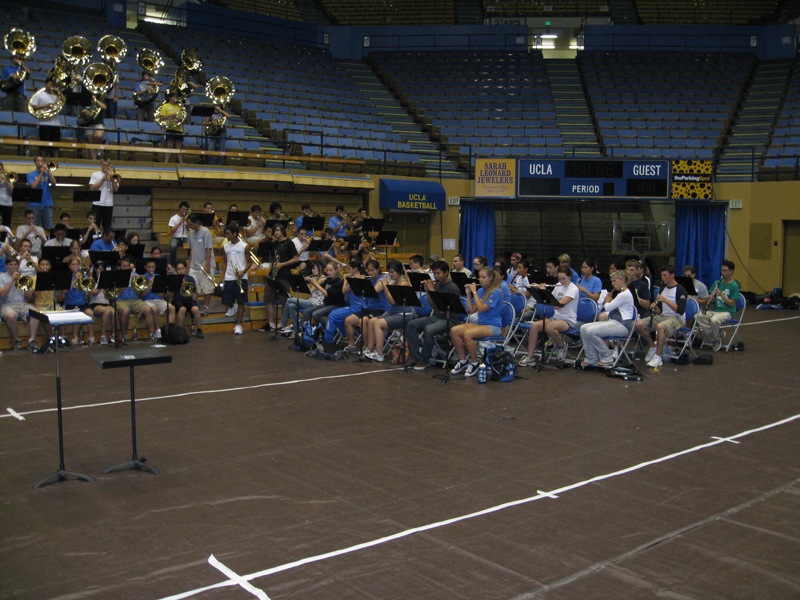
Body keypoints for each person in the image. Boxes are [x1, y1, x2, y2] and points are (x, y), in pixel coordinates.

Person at [405, 259, 460, 371]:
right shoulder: (437, 285)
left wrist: (432, 290)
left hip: (449, 319)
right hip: (436, 317)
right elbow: (432, 305)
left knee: (428, 330)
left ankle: (425, 360)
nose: (436, 276)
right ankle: (415, 358)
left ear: (446, 273)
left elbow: (442, 310)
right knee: (411, 324)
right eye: (434, 273)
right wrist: (429, 292)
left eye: (438, 273)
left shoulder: (452, 288)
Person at [448, 267, 504, 376]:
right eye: (480, 277)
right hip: (481, 324)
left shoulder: (496, 292)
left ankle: (474, 363)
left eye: (484, 277)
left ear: (491, 278)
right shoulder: (481, 290)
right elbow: (472, 310)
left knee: (467, 334)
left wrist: (474, 293)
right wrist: (469, 294)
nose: (481, 280)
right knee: (454, 330)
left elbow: (482, 308)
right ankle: (463, 360)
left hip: (493, 326)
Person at [519, 265, 579, 367]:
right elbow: (547, 300)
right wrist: (538, 289)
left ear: (569, 276)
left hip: (568, 320)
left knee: (549, 327)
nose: (561, 281)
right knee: (534, 326)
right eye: (559, 279)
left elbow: (557, 306)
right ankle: (530, 357)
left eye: (564, 278)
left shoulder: (573, 289)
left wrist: (545, 291)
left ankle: (561, 347)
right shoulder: (558, 285)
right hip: (556, 318)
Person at [580, 270, 637, 368]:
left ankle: (607, 356)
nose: (612, 284)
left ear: (622, 280)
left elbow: (607, 308)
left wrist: (607, 301)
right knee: (583, 328)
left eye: (614, 281)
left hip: (622, 325)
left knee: (590, 331)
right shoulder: (621, 294)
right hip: (615, 322)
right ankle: (591, 357)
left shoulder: (625, 294)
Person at [635, 264, 688, 368]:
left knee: (660, 326)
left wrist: (666, 301)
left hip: (676, 318)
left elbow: (680, 311)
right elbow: (659, 310)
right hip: (663, 316)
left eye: (665, 275)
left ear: (672, 275)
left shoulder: (681, 290)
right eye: (662, 275)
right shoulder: (663, 288)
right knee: (639, 324)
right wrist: (655, 306)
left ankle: (658, 357)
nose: (662, 278)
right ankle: (653, 346)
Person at [362, 260, 412, 362]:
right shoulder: (394, 282)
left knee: (377, 324)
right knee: (371, 321)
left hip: (403, 314)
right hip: (393, 313)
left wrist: (385, 287)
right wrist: (387, 286)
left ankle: (379, 353)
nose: (390, 274)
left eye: (392, 272)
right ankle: (370, 349)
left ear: (399, 272)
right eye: (389, 272)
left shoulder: (403, 283)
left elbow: (392, 301)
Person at [696, 260, 740, 352]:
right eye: (722, 270)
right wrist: (711, 298)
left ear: (731, 271)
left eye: (725, 271)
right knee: (698, 316)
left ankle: (716, 340)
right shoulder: (717, 282)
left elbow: (732, 304)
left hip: (727, 311)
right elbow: (712, 301)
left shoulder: (734, 285)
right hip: (715, 310)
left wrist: (721, 295)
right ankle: (717, 334)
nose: (722, 273)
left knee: (714, 320)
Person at [262, 223, 298, 331]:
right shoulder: (273, 244)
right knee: (268, 299)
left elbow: (296, 259)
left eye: (278, 230)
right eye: (275, 231)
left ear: (282, 231)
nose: (276, 232)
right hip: (273, 274)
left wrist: (282, 264)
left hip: (284, 274)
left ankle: (284, 323)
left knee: (284, 300)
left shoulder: (289, 243)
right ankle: (271, 323)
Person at [0, 255, 40, 351]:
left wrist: (26, 287)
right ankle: (16, 340)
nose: (13, 267)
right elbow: (3, 294)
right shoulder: (2, 277)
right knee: (11, 315)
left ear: (18, 265)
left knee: (35, 312)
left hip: (23, 304)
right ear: (6, 266)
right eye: (11, 265)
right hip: (7, 305)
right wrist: (12, 280)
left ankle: (32, 340)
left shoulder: (24, 277)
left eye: (15, 264)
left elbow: (29, 296)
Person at [115, 255, 159, 342]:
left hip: (135, 300)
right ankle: (124, 335)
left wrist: (136, 286)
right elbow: (115, 294)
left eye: (128, 266)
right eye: (124, 266)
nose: (127, 268)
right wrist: (126, 282)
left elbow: (139, 293)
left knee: (148, 310)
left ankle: (152, 334)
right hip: (120, 300)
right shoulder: (116, 276)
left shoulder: (135, 275)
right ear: (119, 267)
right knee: (125, 311)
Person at [323, 261, 366, 344]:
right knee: (336, 314)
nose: (348, 271)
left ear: (355, 269)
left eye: (349, 269)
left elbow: (344, 291)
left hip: (358, 307)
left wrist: (346, 280)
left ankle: (327, 342)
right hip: (354, 306)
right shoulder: (356, 278)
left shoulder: (355, 280)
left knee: (333, 315)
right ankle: (345, 334)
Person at [279, 260, 325, 336]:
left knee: (289, 299)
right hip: (312, 300)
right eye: (312, 269)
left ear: (319, 269)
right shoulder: (316, 278)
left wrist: (310, 282)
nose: (313, 271)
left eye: (315, 269)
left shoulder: (322, 278)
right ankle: (296, 330)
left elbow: (310, 291)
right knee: (291, 306)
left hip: (317, 303)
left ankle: (283, 322)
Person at [221, 224, 252, 335]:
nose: (227, 235)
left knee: (241, 301)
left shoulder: (245, 246)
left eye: (228, 233)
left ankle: (239, 325)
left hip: (241, 277)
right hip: (229, 276)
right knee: (225, 300)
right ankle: (231, 306)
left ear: (234, 234)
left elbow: (250, 262)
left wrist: (243, 271)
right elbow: (225, 262)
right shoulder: (225, 246)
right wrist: (223, 277)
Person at [62, 256, 97, 346]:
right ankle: (75, 338)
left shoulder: (84, 276)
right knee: (77, 315)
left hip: (82, 303)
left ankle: (91, 337)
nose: (75, 266)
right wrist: (75, 280)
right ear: (69, 266)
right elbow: (64, 291)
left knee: (91, 314)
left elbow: (89, 291)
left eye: (77, 264)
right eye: (73, 265)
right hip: (70, 304)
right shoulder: (67, 277)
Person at [300, 261, 346, 327]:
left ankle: (325, 329)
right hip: (327, 303)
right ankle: (307, 331)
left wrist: (316, 283)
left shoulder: (338, 282)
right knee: (307, 312)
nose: (328, 273)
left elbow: (326, 294)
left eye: (331, 270)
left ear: (336, 271)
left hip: (336, 305)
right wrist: (312, 282)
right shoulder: (328, 280)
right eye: (327, 271)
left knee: (316, 314)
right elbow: (320, 288)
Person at [186, 213, 215, 316]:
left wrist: (207, 264)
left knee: (207, 287)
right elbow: (191, 249)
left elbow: (208, 249)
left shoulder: (206, 232)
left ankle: (205, 307)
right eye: (189, 224)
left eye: (191, 224)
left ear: (197, 222)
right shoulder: (191, 233)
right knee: (194, 288)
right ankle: (194, 307)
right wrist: (190, 263)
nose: (190, 226)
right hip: (194, 265)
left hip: (205, 264)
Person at [29, 78, 64, 158]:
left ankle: (56, 159)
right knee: (44, 143)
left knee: (56, 143)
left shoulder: (56, 95)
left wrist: (59, 92)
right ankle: (43, 159)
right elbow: (33, 107)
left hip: (55, 123)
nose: (51, 86)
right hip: (44, 123)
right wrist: (45, 106)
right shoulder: (39, 95)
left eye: (52, 85)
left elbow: (63, 101)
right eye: (50, 84)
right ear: (45, 85)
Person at [172, 260, 203, 338]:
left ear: (185, 269)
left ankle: (199, 329)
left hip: (188, 300)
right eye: (179, 269)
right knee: (182, 309)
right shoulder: (174, 279)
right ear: (176, 270)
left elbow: (195, 293)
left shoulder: (190, 278)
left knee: (195, 309)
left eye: (182, 269)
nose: (181, 271)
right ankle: (180, 331)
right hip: (178, 300)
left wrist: (195, 292)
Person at [141, 258, 174, 332]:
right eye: (149, 267)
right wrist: (151, 284)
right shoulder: (142, 278)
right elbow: (142, 295)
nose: (151, 269)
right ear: (145, 267)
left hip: (159, 299)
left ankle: (169, 330)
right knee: (154, 309)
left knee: (172, 308)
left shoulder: (159, 276)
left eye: (153, 267)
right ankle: (157, 330)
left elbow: (163, 292)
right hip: (147, 300)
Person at [86, 261, 115, 344]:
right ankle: (102, 336)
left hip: (105, 303)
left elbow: (110, 295)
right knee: (107, 311)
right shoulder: (91, 280)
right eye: (100, 269)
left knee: (113, 311)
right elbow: (94, 294)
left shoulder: (107, 279)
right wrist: (101, 283)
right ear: (95, 269)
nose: (101, 271)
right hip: (95, 303)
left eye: (103, 270)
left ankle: (113, 334)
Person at [26, 155, 57, 230]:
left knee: (49, 227)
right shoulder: (30, 175)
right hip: (35, 204)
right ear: (35, 163)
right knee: (34, 226)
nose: (40, 162)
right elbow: (33, 186)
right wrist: (41, 173)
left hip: (47, 203)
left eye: (42, 160)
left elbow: (54, 183)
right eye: (38, 160)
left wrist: (48, 171)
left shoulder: (47, 173)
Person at [88, 157, 118, 231]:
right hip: (97, 203)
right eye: (104, 165)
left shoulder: (113, 175)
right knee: (95, 225)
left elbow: (116, 189)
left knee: (107, 226)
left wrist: (112, 179)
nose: (105, 167)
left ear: (110, 165)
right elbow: (91, 188)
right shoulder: (95, 175)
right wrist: (103, 179)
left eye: (107, 165)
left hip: (108, 204)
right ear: (101, 164)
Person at [158, 91, 184, 163]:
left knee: (179, 147)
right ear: (170, 98)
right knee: (169, 146)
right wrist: (171, 115)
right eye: (173, 97)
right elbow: (162, 118)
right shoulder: (165, 106)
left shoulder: (179, 106)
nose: (175, 99)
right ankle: (166, 162)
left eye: (176, 97)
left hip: (179, 128)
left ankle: (181, 162)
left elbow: (183, 116)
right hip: (170, 128)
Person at [167, 201, 190, 268]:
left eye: (186, 210)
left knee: (192, 245)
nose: (184, 211)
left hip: (185, 237)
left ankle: (189, 263)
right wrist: (179, 223)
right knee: (172, 246)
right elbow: (172, 231)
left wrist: (188, 224)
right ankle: (173, 264)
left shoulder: (188, 218)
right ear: (180, 209)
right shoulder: (173, 218)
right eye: (183, 209)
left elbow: (190, 229)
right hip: (176, 237)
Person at [0, 162, 14, 227]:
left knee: (6, 225)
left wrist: (5, 180)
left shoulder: (8, 178)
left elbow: (11, 190)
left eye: (0, 169)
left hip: (7, 204)